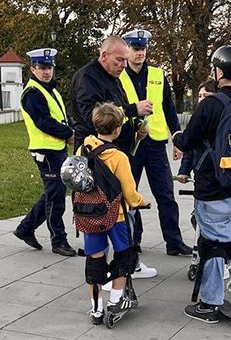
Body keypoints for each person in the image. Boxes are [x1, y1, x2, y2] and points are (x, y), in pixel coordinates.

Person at [172, 45, 231, 323]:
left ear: (219, 71)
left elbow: (188, 141)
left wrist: (177, 137)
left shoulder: (211, 104)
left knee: (213, 244)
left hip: (214, 187)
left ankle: (210, 304)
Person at [71, 35, 157, 278]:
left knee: (118, 209)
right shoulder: (88, 78)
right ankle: (114, 267)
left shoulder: (113, 77)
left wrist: (135, 125)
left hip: (114, 153)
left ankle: (123, 264)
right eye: (119, 60)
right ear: (104, 55)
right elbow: (95, 117)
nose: (123, 65)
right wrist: (132, 109)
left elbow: (115, 116)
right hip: (96, 159)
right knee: (105, 208)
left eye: (125, 60)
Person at [119, 29, 192, 256]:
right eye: (135, 48)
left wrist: (177, 138)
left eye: (142, 48)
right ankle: (133, 239)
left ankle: (174, 241)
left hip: (156, 143)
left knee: (166, 195)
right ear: (127, 50)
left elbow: (169, 109)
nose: (139, 53)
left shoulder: (158, 75)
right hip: (130, 144)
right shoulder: (119, 76)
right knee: (130, 194)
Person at [78, 103, 148, 325]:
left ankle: (96, 309)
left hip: (89, 215)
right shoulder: (119, 157)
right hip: (114, 216)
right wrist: (140, 202)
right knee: (122, 256)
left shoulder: (84, 149)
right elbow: (129, 191)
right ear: (117, 130)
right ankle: (116, 301)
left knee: (95, 261)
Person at [13, 48, 77, 257]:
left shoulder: (50, 90)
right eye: (42, 68)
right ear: (32, 69)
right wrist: (68, 133)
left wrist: (70, 130)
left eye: (49, 67)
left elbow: (60, 117)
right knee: (56, 198)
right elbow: (43, 122)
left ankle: (25, 229)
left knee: (53, 193)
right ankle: (58, 241)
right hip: (46, 152)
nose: (46, 71)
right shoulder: (32, 93)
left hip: (56, 150)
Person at [176, 79, 215, 184]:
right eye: (200, 96)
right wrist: (184, 171)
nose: (202, 100)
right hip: (202, 176)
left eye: (206, 96)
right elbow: (189, 146)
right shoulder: (197, 118)